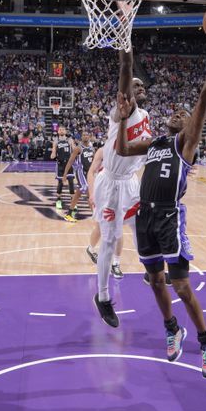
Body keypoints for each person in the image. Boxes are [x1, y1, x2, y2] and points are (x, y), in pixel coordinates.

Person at [115, 33, 206, 378]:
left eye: (186, 113)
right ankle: (172, 329)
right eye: (177, 111)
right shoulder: (155, 142)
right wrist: (123, 119)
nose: (179, 113)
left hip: (169, 215)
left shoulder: (186, 144)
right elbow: (123, 150)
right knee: (155, 281)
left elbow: (204, 98)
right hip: (145, 215)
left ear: (191, 126)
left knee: (180, 285)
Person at [91, 49, 151, 328]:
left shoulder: (146, 117)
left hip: (131, 181)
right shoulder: (122, 110)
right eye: (135, 85)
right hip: (112, 184)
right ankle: (103, 297)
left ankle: (150, 266)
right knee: (109, 240)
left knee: (145, 222)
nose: (139, 88)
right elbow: (125, 76)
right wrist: (126, 48)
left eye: (142, 85)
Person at [85, 145, 124, 278]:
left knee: (118, 230)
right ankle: (91, 248)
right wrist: (92, 193)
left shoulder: (128, 150)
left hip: (120, 193)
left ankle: (116, 263)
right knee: (100, 227)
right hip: (102, 193)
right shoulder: (102, 151)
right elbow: (90, 172)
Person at [62, 131, 94, 223]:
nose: (85, 136)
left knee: (78, 194)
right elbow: (70, 161)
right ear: (81, 137)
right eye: (84, 135)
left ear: (89, 136)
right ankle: (95, 215)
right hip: (81, 173)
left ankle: (69, 214)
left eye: (87, 134)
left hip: (89, 174)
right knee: (89, 192)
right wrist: (65, 174)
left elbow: (94, 162)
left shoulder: (92, 148)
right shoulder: (78, 148)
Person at [50, 126, 75, 211]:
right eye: (60, 129)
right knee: (60, 183)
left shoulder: (70, 140)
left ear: (65, 131)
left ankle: (73, 202)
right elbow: (53, 151)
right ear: (57, 131)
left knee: (71, 182)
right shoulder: (56, 141)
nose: (61, 131)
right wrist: (53, 154)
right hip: (60, 164)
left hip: (69, 164)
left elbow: (74, 149)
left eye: (63, 129)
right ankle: (58, 201)